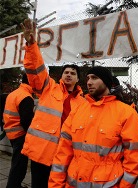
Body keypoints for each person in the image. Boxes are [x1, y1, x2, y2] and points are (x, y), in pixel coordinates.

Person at [48, 66, 138, 187]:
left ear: (106, 82)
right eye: (88, 78)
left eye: (94, 78)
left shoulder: (126, 113)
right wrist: (55, 185)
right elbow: (62, 152)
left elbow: (134, 159)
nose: (89, 82)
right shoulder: (77, 111)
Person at [20, 19, 86, 188]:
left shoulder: (83, 103)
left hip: (66, 155)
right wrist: (31, 44)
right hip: (42, 153)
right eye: (66, 72)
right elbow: (36, 68)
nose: (69, 74)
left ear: (78, 79)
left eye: (73, 73)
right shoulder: (48, 87)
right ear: (61, 76)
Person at [3, 73, 34, 188]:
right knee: (19, 166)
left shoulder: (14, 93)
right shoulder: (26, 97)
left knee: (16, 163)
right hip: (20, 135)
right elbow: (26, 121)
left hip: (11, 133)